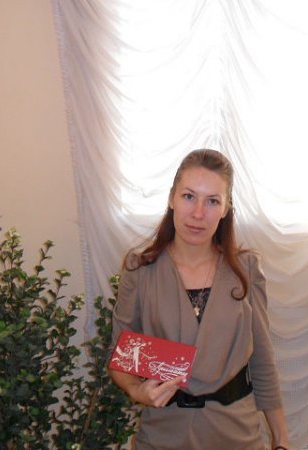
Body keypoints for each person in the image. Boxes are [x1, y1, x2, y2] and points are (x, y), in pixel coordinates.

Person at [110, 149, 290, 450]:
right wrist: (137, 391)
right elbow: (120, 354)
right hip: (163, 435)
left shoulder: (245, 269)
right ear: (172, 198)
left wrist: (281, 441)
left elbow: (262, 358)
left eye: (212, 201)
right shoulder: (140, 270)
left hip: (237, 434)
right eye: (189, 196)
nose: (198, 214)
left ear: (226, 208)